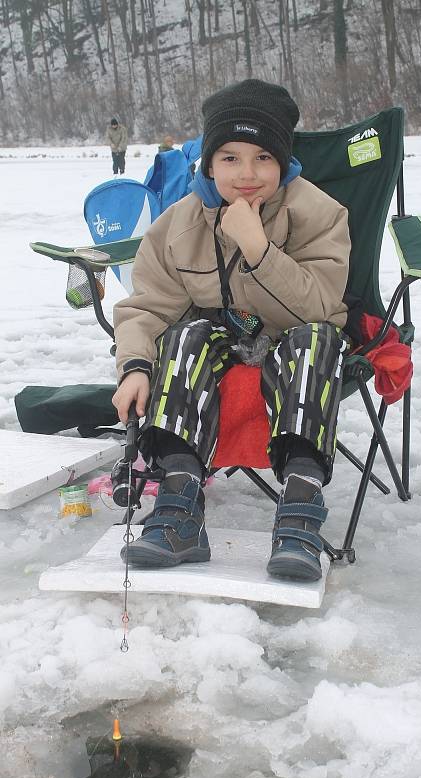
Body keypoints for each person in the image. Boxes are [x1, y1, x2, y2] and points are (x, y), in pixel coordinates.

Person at [112, 79, 362, 582]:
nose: (246, 174)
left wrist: (259, 250)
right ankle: (180, 508)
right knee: (183, 336)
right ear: (207, 163)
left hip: (297, 343)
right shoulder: (177, 225)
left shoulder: (320, 213)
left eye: (262, 158)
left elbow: (318, 306)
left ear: (284, 162)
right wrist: (135, 366)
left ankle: (299, 513)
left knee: (317, 340)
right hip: (221, 345)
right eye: (229, 158)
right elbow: (147, 308)